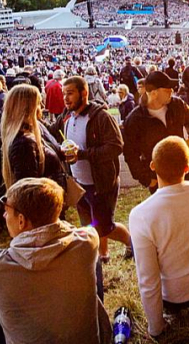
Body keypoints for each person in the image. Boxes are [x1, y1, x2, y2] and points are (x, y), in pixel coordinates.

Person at [0, 177, 111, 344]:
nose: (4, 214)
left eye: (6, 208)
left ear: (21, 220)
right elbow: (80, 230)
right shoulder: (87, 243)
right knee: (95, 264)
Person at [129, 136, 189, 338]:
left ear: (153, 166)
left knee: (140, 250)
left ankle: (172, 315)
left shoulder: (140, 214)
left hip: (172, 298)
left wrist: (156, 328)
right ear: (187, 167)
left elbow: (148, 279)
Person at [50, 76, 132, 262]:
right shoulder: (66, 115)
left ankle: (132, 243)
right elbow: (51, 131)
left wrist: (84, 154)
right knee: (89, 226)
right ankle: (103, 255)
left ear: (84, 93)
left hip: (101, 183)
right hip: (79, 183)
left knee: (104, 226)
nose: (65, 98)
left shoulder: (101, 116)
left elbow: (116, 146)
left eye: (70, 93)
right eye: (64, 94)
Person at [123, 71, 189, 193]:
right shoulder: (135, 119)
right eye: (167, 89)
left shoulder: (177, 104)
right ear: (154, 93)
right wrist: (147, 179)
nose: (172, 91)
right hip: (158, 174)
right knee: (169, 210)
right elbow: (130, 154)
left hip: (183, 166)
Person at [1, 85, 64, 189]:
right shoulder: (24, 143)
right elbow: (30, 190)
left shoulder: (34, 127)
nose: (43, 107)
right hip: (45, 200)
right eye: (38, 103)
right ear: (27, 108)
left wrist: (61, 151)